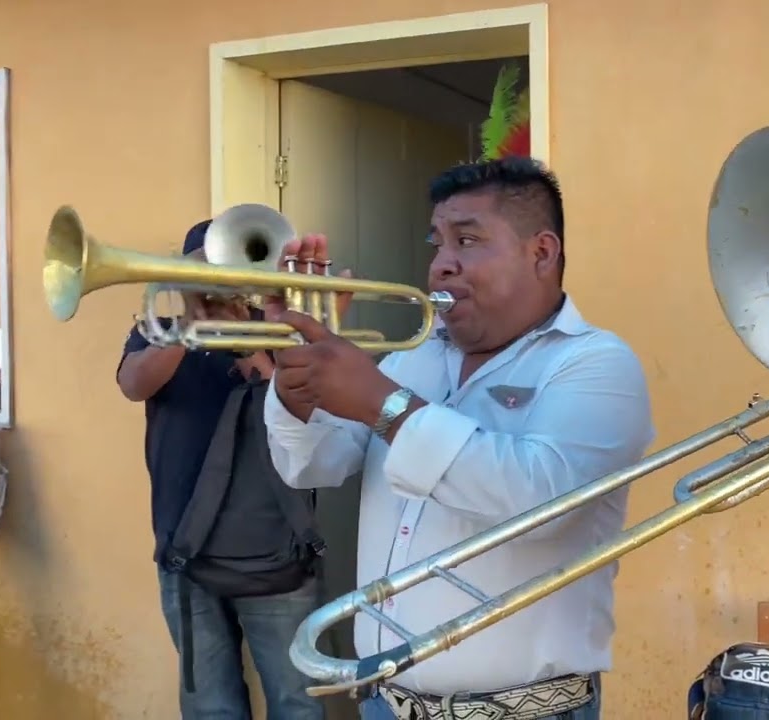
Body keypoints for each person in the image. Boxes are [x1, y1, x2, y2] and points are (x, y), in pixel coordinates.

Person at [262, 156, 655, 720]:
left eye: (467, 241)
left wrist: (382, 402)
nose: (441, 266)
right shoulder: (410, 360)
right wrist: (295, 373)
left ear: (541, 253)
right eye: (438, 243)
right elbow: (315, 465)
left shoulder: (596, 365)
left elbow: (542, 501)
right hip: (385, 705)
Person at [117, 220, 326, 720]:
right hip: (184, 547)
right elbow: (132, 384)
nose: (218, 280)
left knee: (297, 702)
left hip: (280, 549)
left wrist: (250, 344)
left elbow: (306, 409)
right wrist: (190, 329)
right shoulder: (158, 328)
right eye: (206, 267)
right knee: (210, 706)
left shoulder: (282, 330)